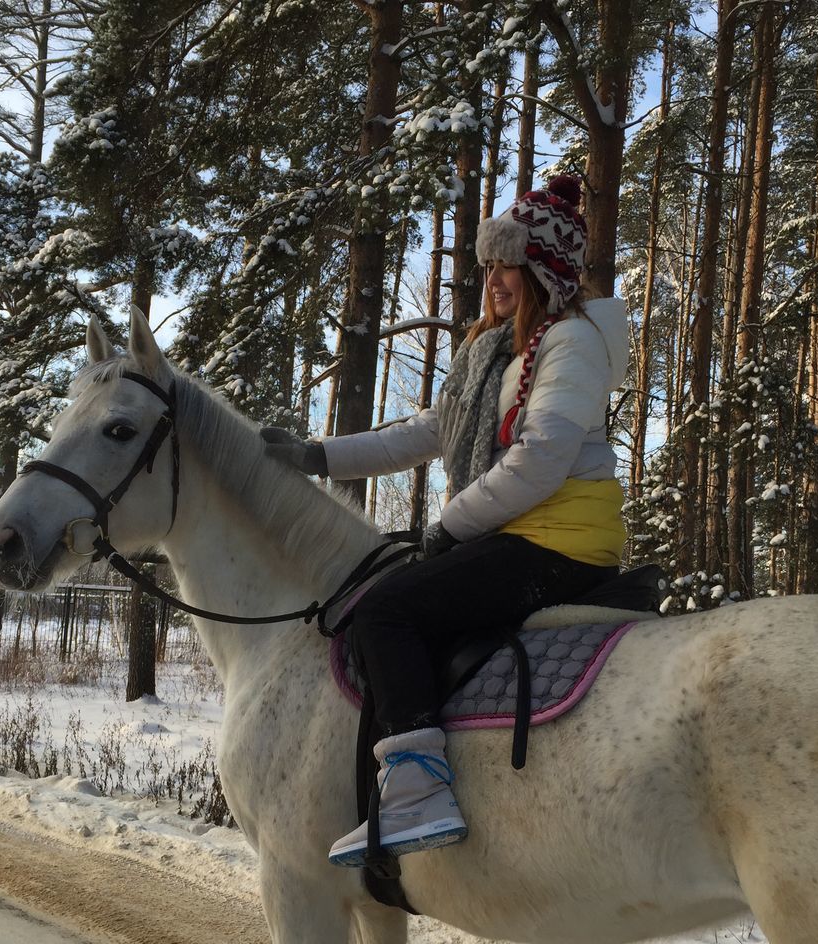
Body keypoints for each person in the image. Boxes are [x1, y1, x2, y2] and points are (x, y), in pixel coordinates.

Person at [260, 175, 629, 867]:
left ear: (544, 272)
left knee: (383, 614)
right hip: (514, 532)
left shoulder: (570, 345)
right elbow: (426, 432)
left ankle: (420, 788)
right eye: (489, 265)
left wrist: (450, 525)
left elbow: (543, 458)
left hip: (560, 541)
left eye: (507, 265)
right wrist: (317, 455)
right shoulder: (494, 355)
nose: (492, 280)